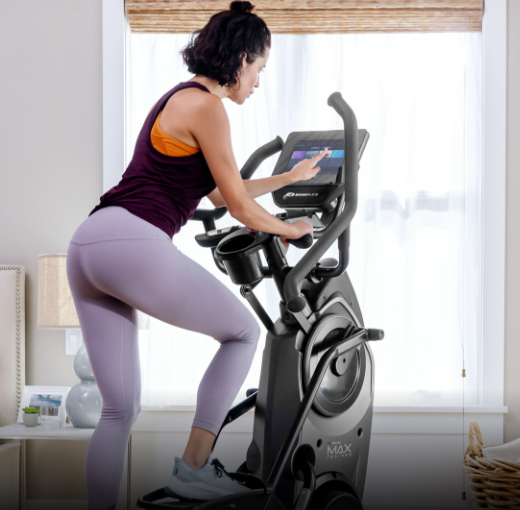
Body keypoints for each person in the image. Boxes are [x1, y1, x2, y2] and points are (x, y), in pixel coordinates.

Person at [66, 2, 326, 507]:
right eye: (260, 70)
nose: (258, 82)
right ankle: (193, 467)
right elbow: (239, 208)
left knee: (119, 409)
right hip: (131, 241)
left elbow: (215, 193)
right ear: (243, 58)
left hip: (90, 244)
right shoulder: (208, 106)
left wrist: (290, 178)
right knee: (245, 332)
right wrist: (290, 229)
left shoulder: (179, 100)